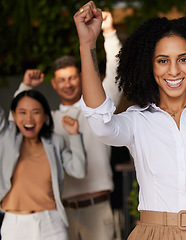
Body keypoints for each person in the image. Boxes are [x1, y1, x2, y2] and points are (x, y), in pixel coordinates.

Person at [73, 1, 186, 239]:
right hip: (152, 233)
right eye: (162, 60)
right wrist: (87, 43)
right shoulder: (137, 120)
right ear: (149, 66)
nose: (173, 71)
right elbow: (100, 123)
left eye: (183, 59)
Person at [14, 11, 122, 240]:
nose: (68, 84)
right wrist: (24, 86)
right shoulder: (47, 121)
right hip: (61, 212)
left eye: (72, 77)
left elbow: (115, 73)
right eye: (61, 80)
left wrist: (109, 32)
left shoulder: (98, 107)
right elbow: (18, 120)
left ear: (82, 77)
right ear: (53, 84)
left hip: (97, 206)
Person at [0, 86, 86, 240]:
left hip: (51, 223)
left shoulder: (55, 142)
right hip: (14, 225)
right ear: (13, 115)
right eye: (22, 112)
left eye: (36, 112)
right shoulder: (6, 138)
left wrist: (74, 135)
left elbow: (79, 171)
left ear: (45, 116)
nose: (29, 119)